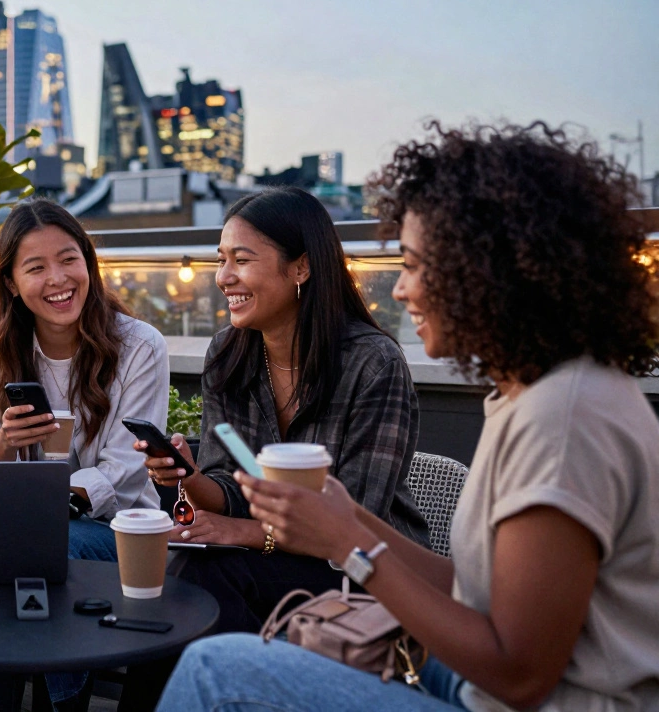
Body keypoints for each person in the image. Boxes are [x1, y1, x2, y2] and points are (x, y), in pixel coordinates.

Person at [158, 122, 659, 711]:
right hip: (482, 679)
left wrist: (348, 541)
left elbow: (520, 676)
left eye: (418, 266)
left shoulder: (564, 421)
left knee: (216, 670)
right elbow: (474, 595)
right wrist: (352, 526)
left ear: (491, 271)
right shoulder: (530, 395)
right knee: (275, 635)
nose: (400, 291)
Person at [139, 187, 429, 635]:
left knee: (206, 579)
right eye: (221, 260)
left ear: (301, 266)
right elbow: (231, 489)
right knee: (191, 575)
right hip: (270, 564)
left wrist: (242, 534)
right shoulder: (227, 354)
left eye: (242, 260)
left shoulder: (373, 363)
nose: (223, 277)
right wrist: (191, 478)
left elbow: (350, 519)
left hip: (367, 573)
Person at [0, 198, 170, 710]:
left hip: (116, 531)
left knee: (43, 543)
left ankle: (62, 702)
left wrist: (49, 499)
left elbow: (123, 474)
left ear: (88, 263)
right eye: (36, 267)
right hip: (22, 529)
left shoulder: (139, 347)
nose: (58, 278)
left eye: (69, 259)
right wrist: (5, 446)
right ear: (11, 282)